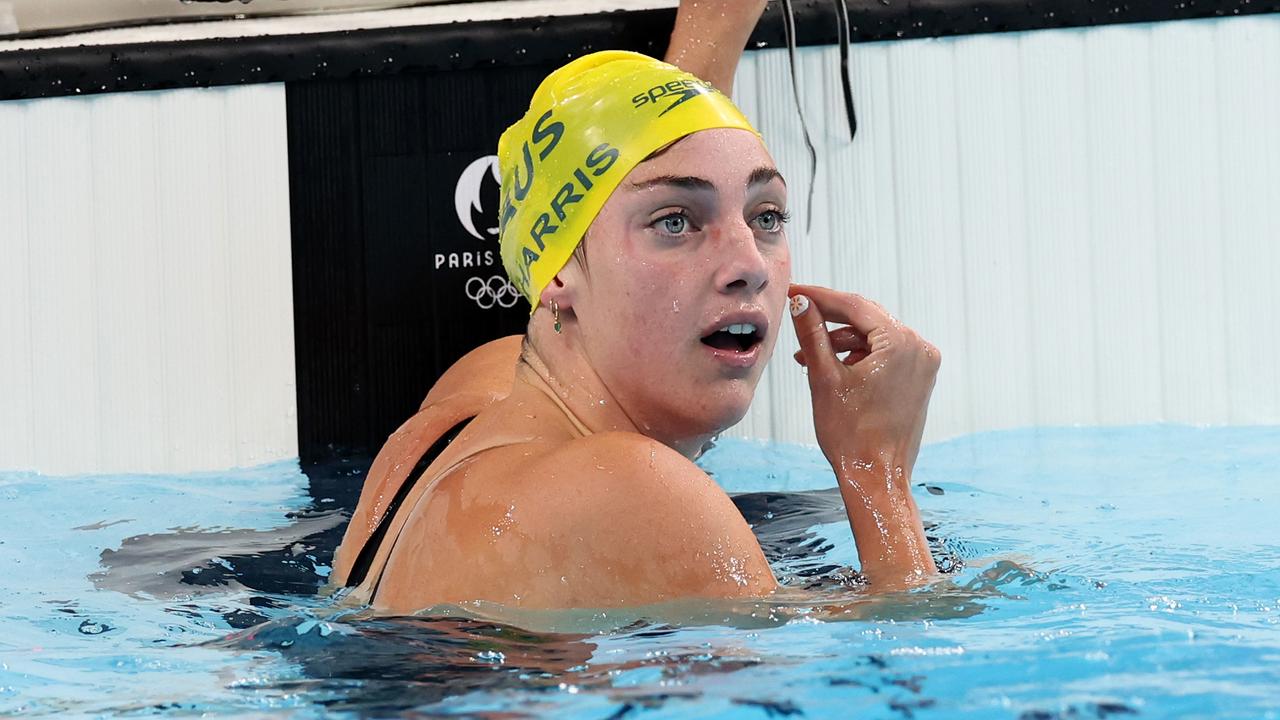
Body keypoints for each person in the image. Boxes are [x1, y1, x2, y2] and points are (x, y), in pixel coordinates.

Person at [329, 0, 941, 615]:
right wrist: (877, 472)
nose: (751, 264)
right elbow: (906, 687)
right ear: (558, 272)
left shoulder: (457, 416)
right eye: (674, 221)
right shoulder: (633, 489)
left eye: (767, 215)